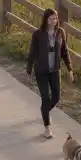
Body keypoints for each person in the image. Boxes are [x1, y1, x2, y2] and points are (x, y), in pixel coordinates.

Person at [26, 8, 74, 138]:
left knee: (56, 97)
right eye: (52, 18)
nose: (54, 20)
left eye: (56, 18)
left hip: (54, 70)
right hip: (41, 70)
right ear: (46, 20)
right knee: (46, 98)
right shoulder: (38, 34)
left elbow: (64, 51)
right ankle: (47, 127)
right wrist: (29, 70)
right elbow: (32, 53)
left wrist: (69, 68)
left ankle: (44, 112)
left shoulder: (60, 32)